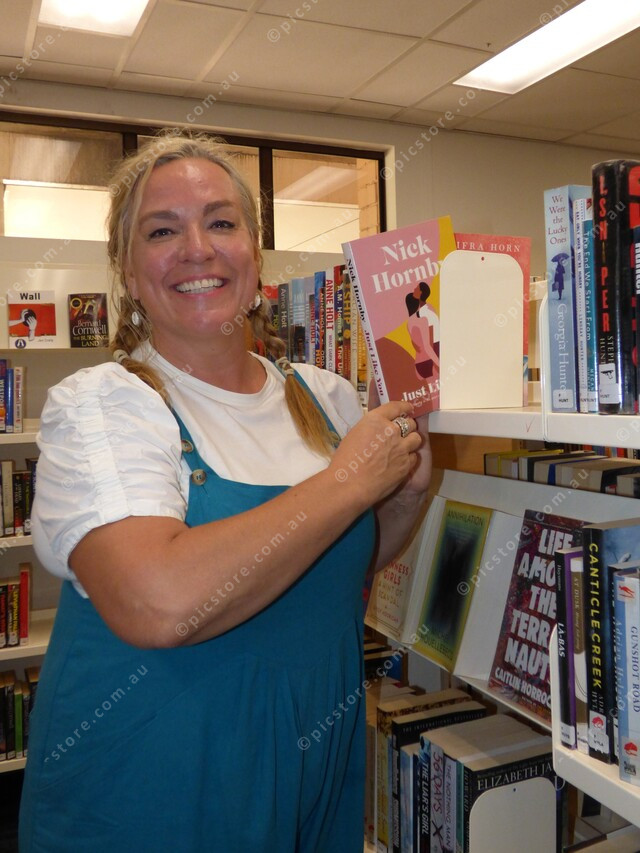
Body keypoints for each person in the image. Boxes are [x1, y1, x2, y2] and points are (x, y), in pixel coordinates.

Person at [19, 130, 432, 853]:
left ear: (255, 253)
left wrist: (401, 497)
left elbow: (338, 567)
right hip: (156, 791)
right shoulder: (102, 405)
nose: (197, 249)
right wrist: (348, 481)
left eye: (220, 222)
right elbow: (158, 601)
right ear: (126, 270)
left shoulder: (327, 397)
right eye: (161, 231)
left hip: (313, 772)